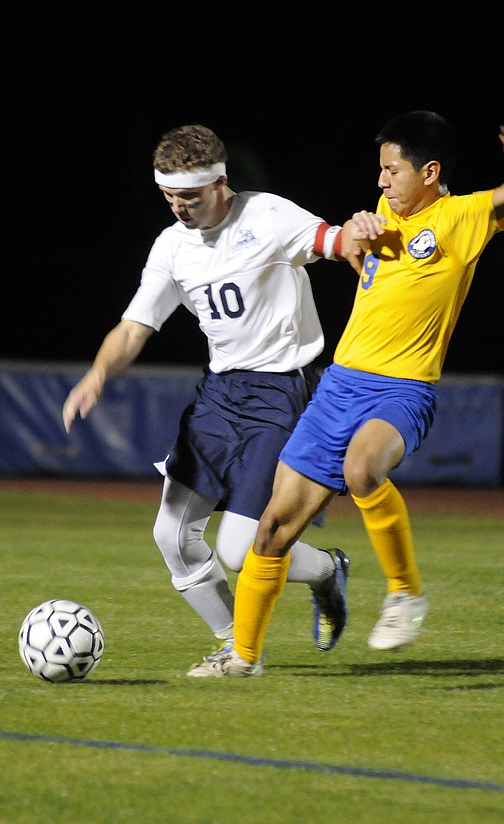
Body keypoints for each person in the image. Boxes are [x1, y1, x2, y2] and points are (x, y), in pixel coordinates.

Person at [205, 111, 504, 676]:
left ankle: (405, 593)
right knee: (271, 529)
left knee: (363, 469)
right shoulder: (386, 212)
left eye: (392, 170)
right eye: (380, 170)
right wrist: (358, 230)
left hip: (402, 390)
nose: (382, 181)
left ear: (430, 171)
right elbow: (365, 238)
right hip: (338, 386)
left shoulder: (460, 217)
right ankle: (242, 658)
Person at [61, 124, 351, 677]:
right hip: (219, 396)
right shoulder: (172, 245)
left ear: (220, 183)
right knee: (170, 534)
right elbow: (134, 326)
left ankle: (325, 570)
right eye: (169, 197)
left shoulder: (268, 216)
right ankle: (238, 646)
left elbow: (332, 243)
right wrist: (97, 375)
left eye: (188, 197)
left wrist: (360, 238)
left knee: (241, 552)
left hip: (283, 393)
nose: (178, 208)